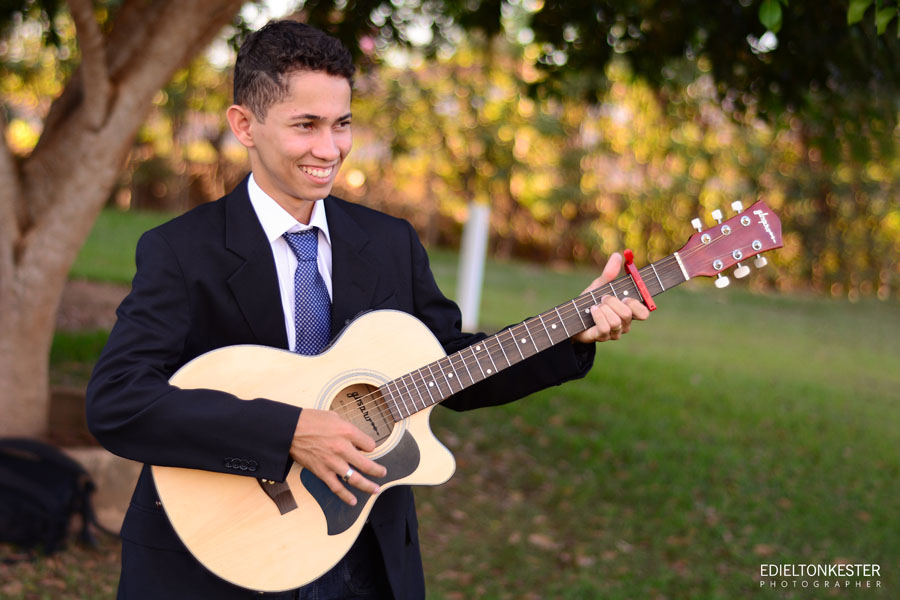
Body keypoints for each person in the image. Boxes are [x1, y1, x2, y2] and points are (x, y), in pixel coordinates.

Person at [86, 19, 650, 600]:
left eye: (342, 124)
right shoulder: (181, 250)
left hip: (364, 563)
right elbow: (119, 400)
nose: (329, 150)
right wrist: (289, 431)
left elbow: (450, 368)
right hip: (219, 561)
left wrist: (573, 331)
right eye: (305, 126)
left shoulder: (388, 242)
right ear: (244, 125)